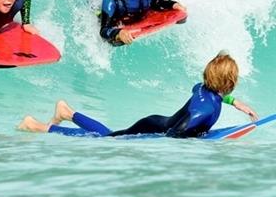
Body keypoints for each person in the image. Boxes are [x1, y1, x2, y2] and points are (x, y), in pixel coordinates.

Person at [17, 52, 257, 139]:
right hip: (153, 128)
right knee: (106, 139)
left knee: (110, 136)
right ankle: (39, 126)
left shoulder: (203, 89)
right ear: (229, 80)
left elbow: (212, 94)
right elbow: (176, 133)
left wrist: (235, 103)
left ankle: (67, 113)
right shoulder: (203, 109)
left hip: (155, 121)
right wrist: (193, 140)